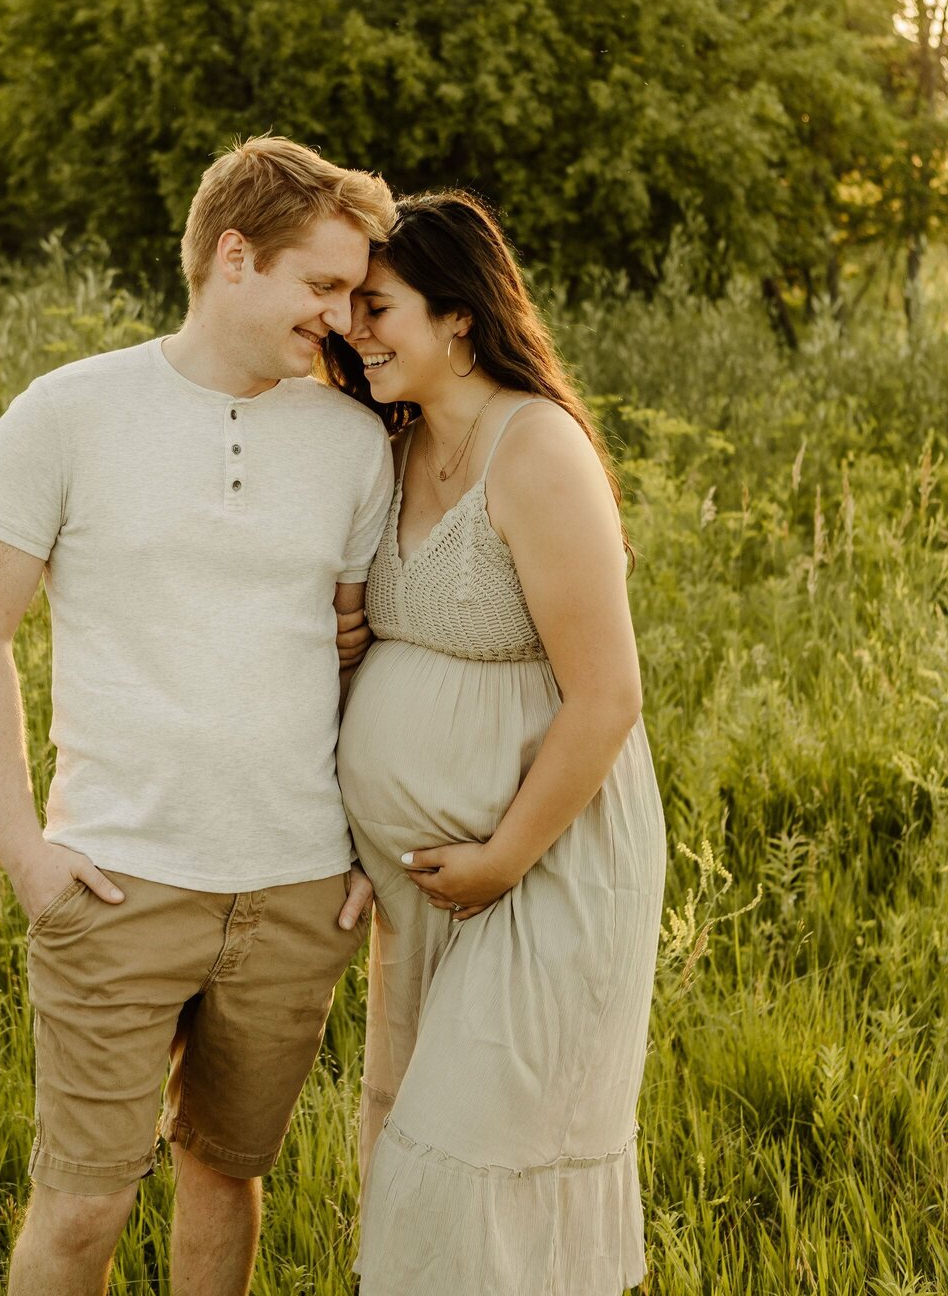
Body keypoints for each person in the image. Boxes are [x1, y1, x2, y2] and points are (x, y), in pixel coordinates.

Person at [0, 137, 396, 1296]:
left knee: (225, 1178)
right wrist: (23, 851)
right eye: (324, 284)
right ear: (233, 258)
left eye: (352, 291)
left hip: (295, 887)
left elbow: (361, 653)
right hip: (117, 881)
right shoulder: (67, 413)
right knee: (85, 1202)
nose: (345, 315)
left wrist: (362, 842)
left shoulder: (352, 441)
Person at [325, 191, 667, 1296]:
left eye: (379, 309)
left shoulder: (538, 451)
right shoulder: (391, 438)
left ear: (461, 317)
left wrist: (503, 858)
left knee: (474, 1162)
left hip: (542, 872)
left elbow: (607, 697)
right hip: (428, 887)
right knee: (410, 1145)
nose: (354, 330)